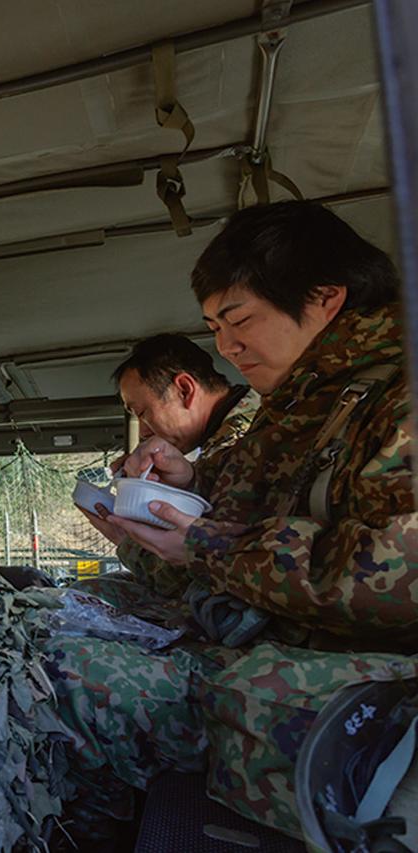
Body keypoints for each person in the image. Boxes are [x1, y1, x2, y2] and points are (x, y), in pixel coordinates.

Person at [50, 201, 418, 839]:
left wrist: (205, 543)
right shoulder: (301, 400)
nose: (225, 346)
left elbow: (398, 576)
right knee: (59, 632)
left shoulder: (399, 396)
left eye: (238, 319)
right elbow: (259, 496)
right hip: (262, 635)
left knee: (72, 682)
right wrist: (191, 482)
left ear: (327, 299)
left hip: (349, 675)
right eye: (214, 326)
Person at [78, 334, 259, 606]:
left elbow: (196, 581)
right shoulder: (233, 440)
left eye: (143, 412)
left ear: (185, 390)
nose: (143, 431)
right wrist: (186, 485)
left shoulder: (245, 444)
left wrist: (127, 540)